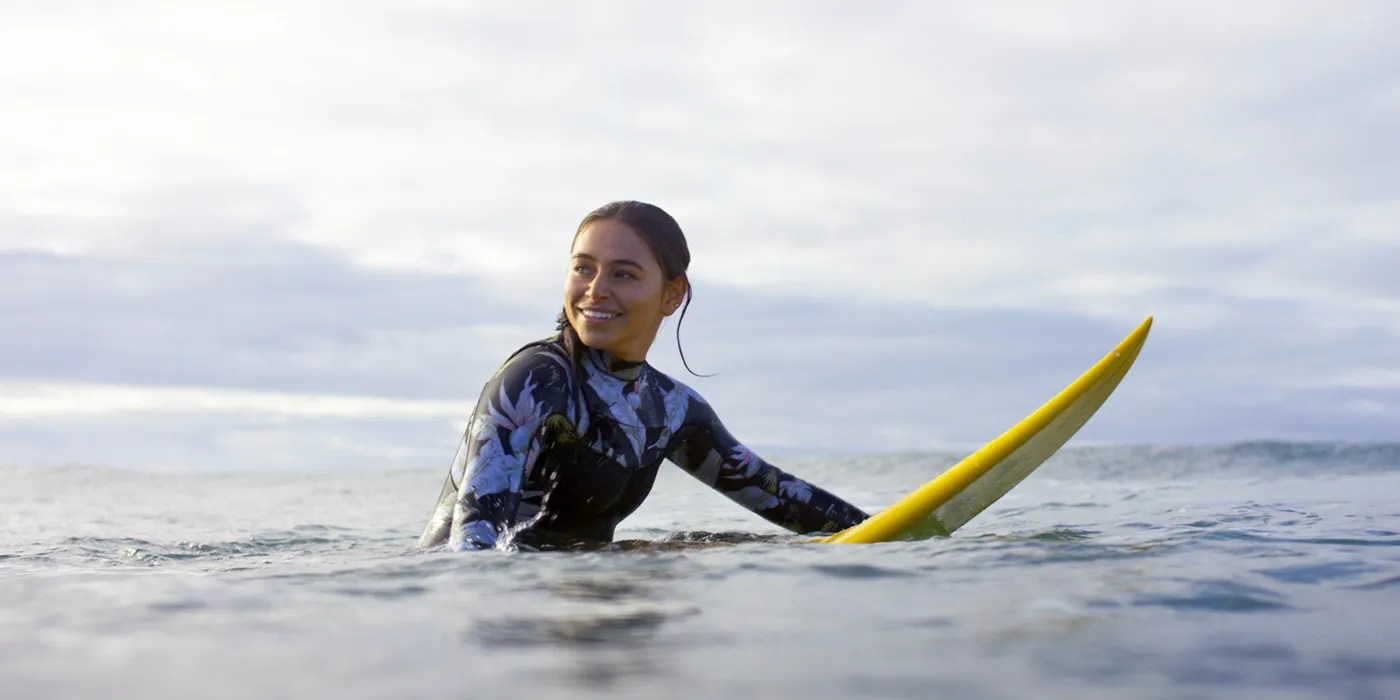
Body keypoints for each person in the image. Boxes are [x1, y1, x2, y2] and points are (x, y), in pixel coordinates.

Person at [418, 201, 868, 551]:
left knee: (713, 548)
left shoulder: (671, 409)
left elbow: (775, 493)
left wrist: (891, 538)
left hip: (569, 600)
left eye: (623, 274)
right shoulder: (536, 383)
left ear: (672, 295)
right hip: (477, 611)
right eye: (583, 268)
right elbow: (471, 549)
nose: (596, 289)